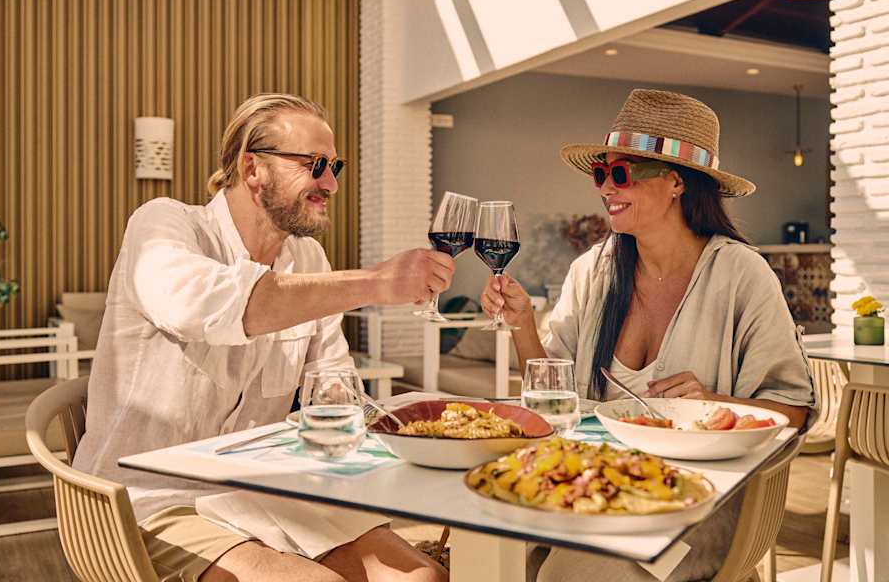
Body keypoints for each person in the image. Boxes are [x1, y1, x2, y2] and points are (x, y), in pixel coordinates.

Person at [74, 93, 452, 582]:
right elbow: (217, 306)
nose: (331, 184)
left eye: (334, 166)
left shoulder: (309, 259)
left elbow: (335, 388)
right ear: (252, 168)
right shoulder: (165, 224)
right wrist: (378, 282)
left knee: (421, 577)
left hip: (264, 489)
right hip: (147, 498)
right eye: (315, 165)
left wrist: (410, 432)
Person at [480, 89, 816, 582]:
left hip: (692, 506)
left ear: (676, 181)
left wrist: (712, 404)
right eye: (601, 173)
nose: (605, 188)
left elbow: (793, 410)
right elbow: (552, 395)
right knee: (484, 545)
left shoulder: (741, 274)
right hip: (586, 488)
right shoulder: (593, 269)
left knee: (566, 575)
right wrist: (522, 324)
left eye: (621, 174)